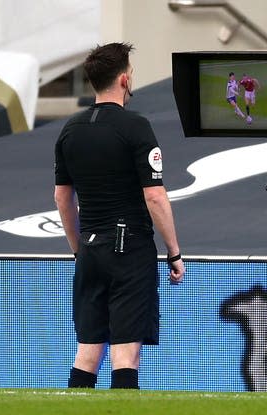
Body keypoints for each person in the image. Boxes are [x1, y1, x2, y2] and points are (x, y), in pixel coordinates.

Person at [54, 42, 185, 390]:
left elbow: (62, 196)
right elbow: (155, 196)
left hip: (90, 252)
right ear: (125, 80)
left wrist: (77, 248)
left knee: (86, 354)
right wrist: (174, 252)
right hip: (129, 251)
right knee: (125, 356)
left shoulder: (70, 129)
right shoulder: (135, 126)